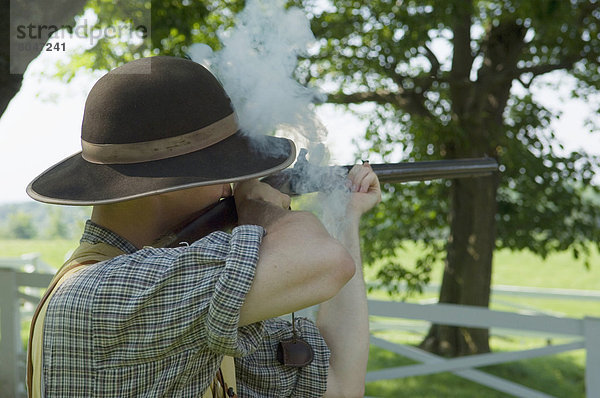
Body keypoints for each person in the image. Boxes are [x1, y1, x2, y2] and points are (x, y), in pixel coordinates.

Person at [26, 56, 380, 397]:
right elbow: (324, 261)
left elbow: (340, 383)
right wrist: (260, 209)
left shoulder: (179, 306)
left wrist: (344, 217)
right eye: (222, 173)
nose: (230, 186)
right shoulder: (105, 291)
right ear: (159, 184)